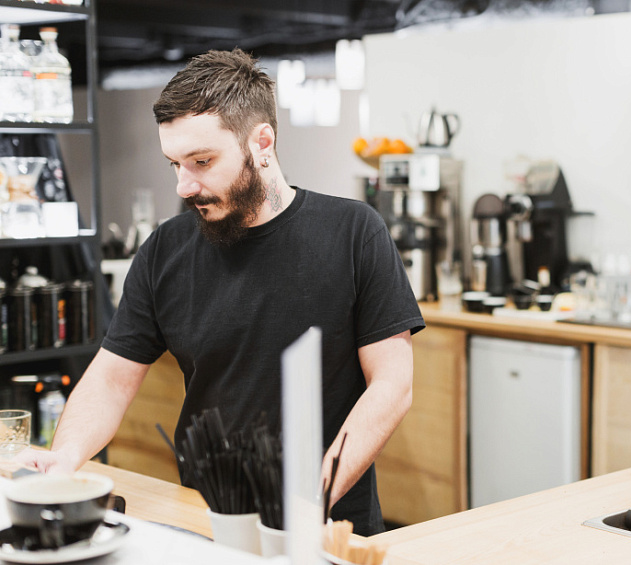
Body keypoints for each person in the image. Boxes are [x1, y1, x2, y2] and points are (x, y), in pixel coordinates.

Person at [18, 49, 425, 535]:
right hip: (208, 521)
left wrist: (309, 497)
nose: (184, 185)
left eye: (202, 161)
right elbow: (111, 379)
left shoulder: (354, 233)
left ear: (262, 142)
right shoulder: (164, 250)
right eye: (174, 164)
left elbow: (392, 386)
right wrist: (65, 457)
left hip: (329, 527)